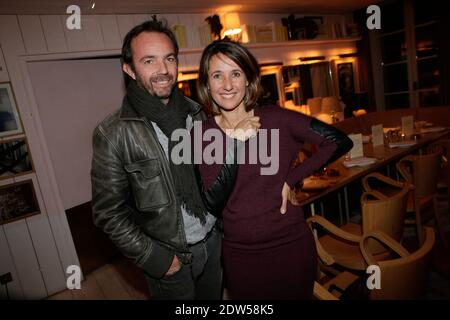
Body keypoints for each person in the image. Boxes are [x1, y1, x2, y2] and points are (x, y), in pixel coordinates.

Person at [90, 19, 242, 300]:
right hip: (172, 259)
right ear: (129, 69)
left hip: (214, 241)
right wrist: (155, 258)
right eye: (149, 61)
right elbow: (108, 213)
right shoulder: (113, 133)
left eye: (169, 59)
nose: (162, 70)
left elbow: (221, 173)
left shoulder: (197, 113)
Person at [194, 40, 353, 300]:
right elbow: (213, 200)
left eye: (235, 73)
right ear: (206, 84)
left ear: (248, 79)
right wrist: (236, 141)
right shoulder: (202, 134)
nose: (227, 85)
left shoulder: (277, 119)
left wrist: (292, 179)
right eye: (217, 75)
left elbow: (338, 141)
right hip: (241, 256)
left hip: (290, 247)